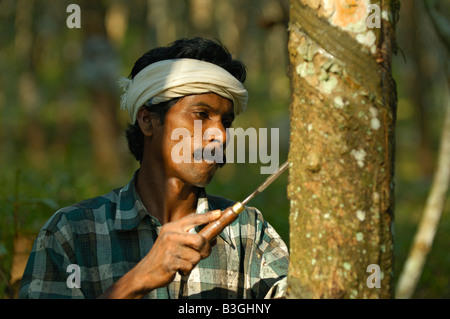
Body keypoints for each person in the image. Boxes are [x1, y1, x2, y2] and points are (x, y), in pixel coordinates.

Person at [19, 37, 289, 299]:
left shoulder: (249, 232)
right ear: (148, 121)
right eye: (201, 115)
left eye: (226, 123)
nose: (220, 136)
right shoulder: (72, 234)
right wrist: (138, 280)